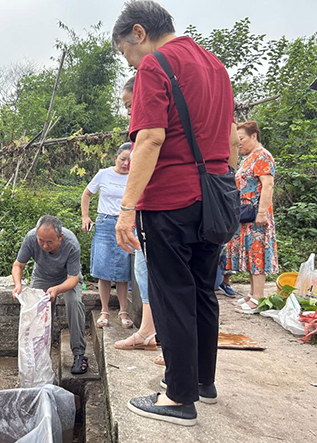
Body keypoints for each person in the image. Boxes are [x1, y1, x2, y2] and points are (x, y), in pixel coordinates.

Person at [111, 0, 239, 426]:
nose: (129, 61)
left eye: (125, 52)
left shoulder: (156, 65)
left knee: (172, 295)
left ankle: (177, 398)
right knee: (203, 290)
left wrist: (127, 209)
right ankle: (203, 382)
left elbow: (149, 140)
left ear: (138, 33)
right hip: (216, 195)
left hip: (170, 200)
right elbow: (231, 139)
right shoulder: (217, 66)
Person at [112, 76, 159, 352]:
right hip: (143, 215)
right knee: (142, 273)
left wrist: (126, 211)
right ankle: (148, 329)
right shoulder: (140, 130)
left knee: (158, 275)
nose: (129, 111)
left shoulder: (150, 133)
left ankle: (159, 334)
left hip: (154, 214)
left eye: (130, 104)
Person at [12, 215, 89, 374]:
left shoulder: (71, 244)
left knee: (74, 302)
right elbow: (18, 265)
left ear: (60, 237)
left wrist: (57, 289)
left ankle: (79, 354)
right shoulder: (31, 238)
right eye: (41, 241)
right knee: (37, 312)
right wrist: (18, 285)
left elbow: (73, 278)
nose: (44, 245)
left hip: (67, 278)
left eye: (49, 242)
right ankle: (38, 356)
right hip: (43, 276)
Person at [227, 121, 278, 313]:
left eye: (241, 139)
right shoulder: (249, 158)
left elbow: (268, 185)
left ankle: (259, 297)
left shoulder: (263, 156)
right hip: (246, 214)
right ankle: (252, 293)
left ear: (254, 136)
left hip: (257, 214)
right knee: (249, 252)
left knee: (258, 252)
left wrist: (262, 212)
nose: (239, 144)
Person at [81, 143, 134, 329]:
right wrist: (85, 216)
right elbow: (87, 194)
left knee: (123, 269)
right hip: (104, 223)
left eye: (130, 160)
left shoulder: (136, 176)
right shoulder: (104, 174)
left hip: (126, 224)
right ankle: (104, 310)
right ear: (116, 158)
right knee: (103, 269)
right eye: (123, 159)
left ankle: (123, 311)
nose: (126, 163)